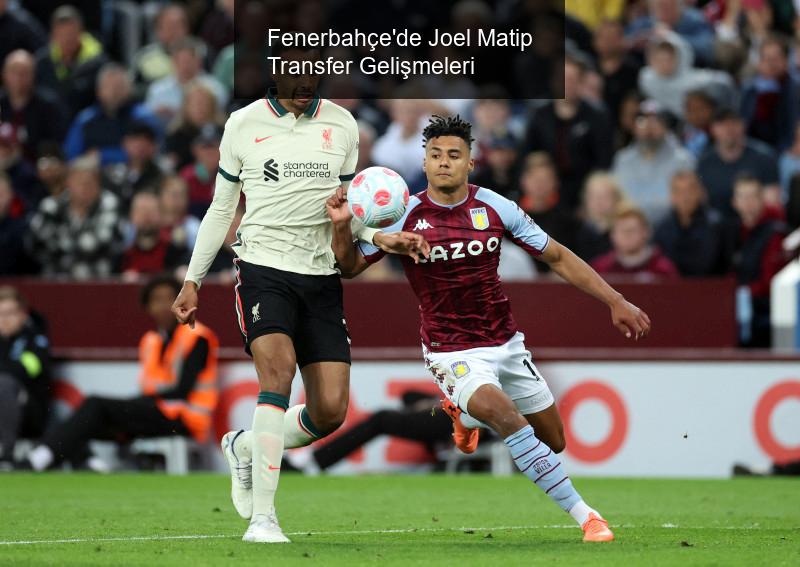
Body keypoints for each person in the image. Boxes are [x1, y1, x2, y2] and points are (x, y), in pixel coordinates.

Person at [328, 115, 652, 543]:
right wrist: (339, 228)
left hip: (505, 341)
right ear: (424, 163)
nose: (444, 163)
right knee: (505, 416)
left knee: (552, 441)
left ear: (470, 164)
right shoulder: (401, 213)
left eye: (454, 156)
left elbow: (555, 256)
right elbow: (348, 268)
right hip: (450, 350)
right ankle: (587, 516)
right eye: (435, 155)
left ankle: (460, 413)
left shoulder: (496, 208)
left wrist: (615, 300)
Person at [169, 41, 427, 543]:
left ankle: (245, 446)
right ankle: (264, 520)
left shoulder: (343, 126)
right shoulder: (243, 124)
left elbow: (348, 212)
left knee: (330, 410)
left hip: (321, 273)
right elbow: (222, 210)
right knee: (278, 373)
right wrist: (193, 280)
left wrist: (381, 237)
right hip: (262, 266)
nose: (306, 81)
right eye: (296, 72)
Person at [26, 276, 218, 472]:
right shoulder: (151, 340)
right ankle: (87, 462)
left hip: (185, 419)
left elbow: (182, 390)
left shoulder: (197, 336)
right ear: (148, 307)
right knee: (87, 419)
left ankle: (40, 458)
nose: (164, 306)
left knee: (95, 405)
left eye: (170, 298)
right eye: (156, 300)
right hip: (156, 411)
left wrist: (140, 400)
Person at [522, 53, 614, 212]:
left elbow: (604, 161)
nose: (567, 85)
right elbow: (527, 156)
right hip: (545, 187)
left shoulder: (598, 116)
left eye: (572, 79)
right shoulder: (539, 115)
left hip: (584, 189)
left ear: (582, 82)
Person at [287, 391, 453, 474]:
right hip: (451, 407)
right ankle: (440, 446)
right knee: (409, 396)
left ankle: (313, 461)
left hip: (458, 419)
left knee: (382, 419)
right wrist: (433, 403)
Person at [26, 155, 124, 278]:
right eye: (79, 182)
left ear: (98, 183)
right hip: (56, 281)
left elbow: (105, 244)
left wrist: (63, 247)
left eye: (89, 182)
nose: (84, 187)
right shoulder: (51, 207)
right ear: (68, 182)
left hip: (99, 281)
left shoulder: (110, 204)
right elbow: (36, 245)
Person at [726, 175, 788, 347]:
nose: (748, 203)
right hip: (735, 308)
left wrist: (739, 293)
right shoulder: (732, 232)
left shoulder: (774, 233)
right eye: (742, 197)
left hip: (763, 313)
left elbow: (770, 283)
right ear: (734, 202)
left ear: (762, 200)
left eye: (753, 196)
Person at [612, 99, 696, 225]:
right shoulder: (623, 160)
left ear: (666, 127)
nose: (649, 127)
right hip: (630, 227)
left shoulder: (683, 160)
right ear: (634, 126)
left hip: (670, 229)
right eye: (642, 121)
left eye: (656, 121)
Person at [63, 63, 161, 166]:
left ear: (129, 90)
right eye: (108, 87)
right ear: (99, 91)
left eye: (119, 86)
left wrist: (103, 156)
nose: (114, 92)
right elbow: (70, 156)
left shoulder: (143, 117)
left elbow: (153, 153)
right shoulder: (86, 119)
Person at [697, 107, 781, 218]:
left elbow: (772, 203)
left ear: (743, 125)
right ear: (713, 129)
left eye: (733, 123)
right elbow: (701, 202)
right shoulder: (704, 162)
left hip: (756, 224)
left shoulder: (764, 158)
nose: (728, 129)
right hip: (718, 227)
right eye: (722, 124)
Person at [0, 286, 50, 469]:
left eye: (10, 313)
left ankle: (6, 456)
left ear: (22, 315)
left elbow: (25, 370)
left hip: (30, 412)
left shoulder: (35, 340)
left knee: (4, 385)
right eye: (0, 314)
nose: (4, 319)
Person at [34, 5, 107, 118]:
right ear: (53, 35)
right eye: (62, 35)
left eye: (71, 34)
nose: (67, 40)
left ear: (81, 32)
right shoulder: (42, 62)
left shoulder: (99, 63)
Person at [654, 170, 728, 276]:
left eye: (690, 190)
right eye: (678, 191)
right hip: (671, 288)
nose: (685, 197)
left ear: (700, 192)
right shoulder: (661, 228)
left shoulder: (716, 225)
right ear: (671, 196)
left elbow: (706, 266)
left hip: (708, 287)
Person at [0, 49, 68, 163]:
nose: (18, 78)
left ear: (33, 75)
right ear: (4, 75)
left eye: (24, 73)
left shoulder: (48, 106)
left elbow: (56, 146)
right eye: (14, 71)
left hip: (36, 170)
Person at [591, 205, 680, 279]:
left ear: (646, 233)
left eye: (632, 230)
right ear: (612, 235)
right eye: (622, 230)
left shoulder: (664, 269)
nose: (627, 235)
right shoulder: (599, 269)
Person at [575, 172, 627, 262]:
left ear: (616, 199)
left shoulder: (625, 230)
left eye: (605, 196)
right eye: (593, 196)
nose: (599, 202)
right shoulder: (576, 230)